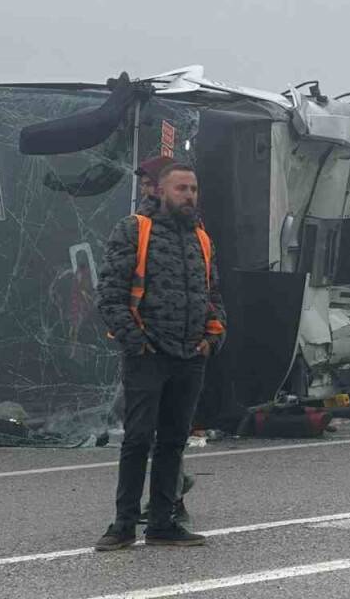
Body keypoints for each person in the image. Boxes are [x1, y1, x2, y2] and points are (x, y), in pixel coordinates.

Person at [94, 163, 227, 551]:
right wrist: (137, 343)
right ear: (161, 192)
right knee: (137, 439)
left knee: (173, 441)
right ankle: (122, 525)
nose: (189, 195)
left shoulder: (201, 238)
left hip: (190, 355)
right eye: (182, 188)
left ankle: (163, 523)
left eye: (194, 189)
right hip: (148, 355)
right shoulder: (134, 229)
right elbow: (110, 294)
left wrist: (212, 338)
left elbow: (213, 293)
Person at [130, 154, 198, 526]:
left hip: (172, 345)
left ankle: (171, 496)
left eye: (148, 181)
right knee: (143, 427)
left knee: (164, 429)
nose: (143, 187)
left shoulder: (179, 227)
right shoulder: (138, 224)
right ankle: (170, 492)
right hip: (143, 342)